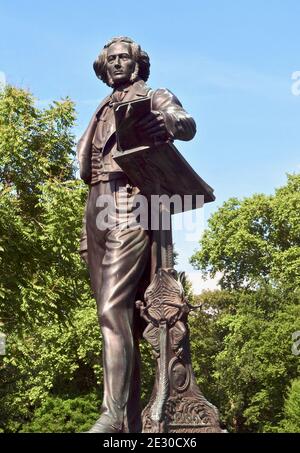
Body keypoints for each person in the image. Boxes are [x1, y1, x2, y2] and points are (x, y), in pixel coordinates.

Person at [77, 36, 196, 433]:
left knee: (111, 308)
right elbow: (90, 171)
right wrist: (85, 231)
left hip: (130, 202)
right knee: (117, 317)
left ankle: (111, 415)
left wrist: (167, 121)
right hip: (96, 206)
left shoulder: (152, 96)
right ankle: (128, 423)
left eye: (123, 58)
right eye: (109, 59)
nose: (115, 63)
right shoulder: (100, 108)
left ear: (138, 64)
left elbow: (185, 122)